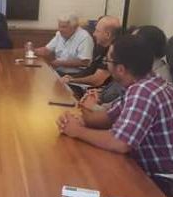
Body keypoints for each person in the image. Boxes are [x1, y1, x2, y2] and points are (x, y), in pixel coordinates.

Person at [57, 35, 173, 177]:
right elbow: (109, 117)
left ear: (121, 69)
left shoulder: (143, 91)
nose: (107, 65)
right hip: (147, 170)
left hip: (161, 179)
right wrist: (78, 120)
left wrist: (78, 131)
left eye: (108, 61)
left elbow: (121, 143)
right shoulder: (147, 81)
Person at [60, 16, 121, 96]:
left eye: (97, 31)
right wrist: (71, 77)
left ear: (107, 34)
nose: (94, 34)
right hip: (86, 88)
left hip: (98, 95)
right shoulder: (101, 47)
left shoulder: (114, 52)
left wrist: (72, 80)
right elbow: (90, 69)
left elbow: (97, 80)